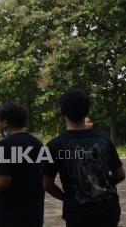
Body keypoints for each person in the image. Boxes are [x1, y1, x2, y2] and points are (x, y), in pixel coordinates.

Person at [43, 89, 125, 227]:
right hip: (108, 209)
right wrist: (100, 187)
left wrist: (67, 198)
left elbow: (47, 184)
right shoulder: (105, 141)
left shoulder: (54, 146)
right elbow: (120, 174)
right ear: (87, 112)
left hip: (78, 212)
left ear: (63, 113)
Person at [0, 102, 44, 227]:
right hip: (34, 212)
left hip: (12, 215)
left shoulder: (6, 145)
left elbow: (2, 181)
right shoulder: (37, 143)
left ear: (5, 123)